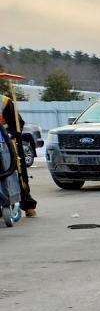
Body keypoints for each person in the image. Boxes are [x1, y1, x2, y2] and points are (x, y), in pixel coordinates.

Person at [1, 86, 37, 217]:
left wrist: (10, 134)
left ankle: (28, 205)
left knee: (18, 174)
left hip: (7, 143)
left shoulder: (4, 102)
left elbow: (18, 123)